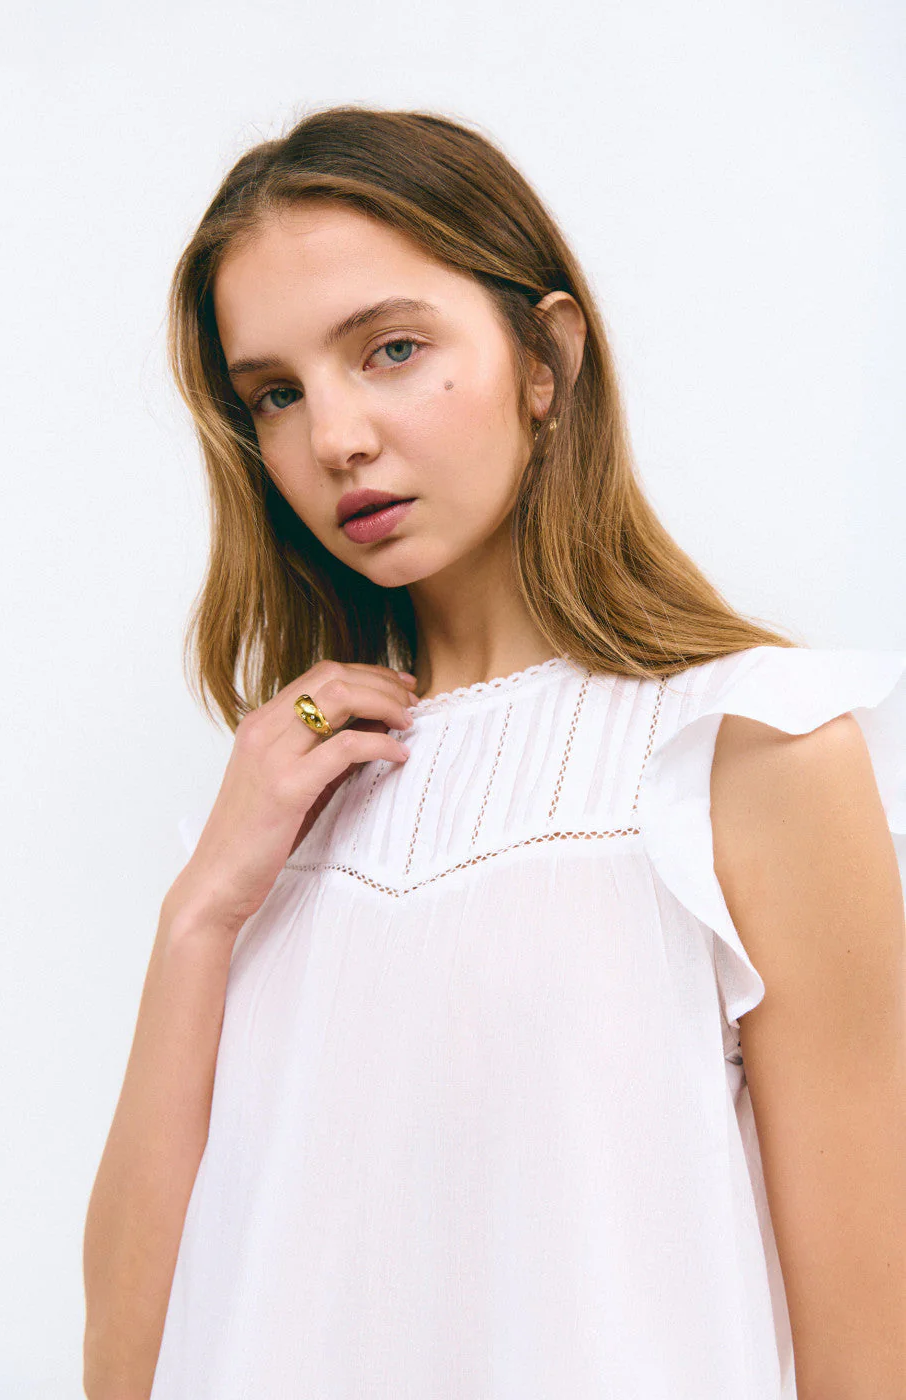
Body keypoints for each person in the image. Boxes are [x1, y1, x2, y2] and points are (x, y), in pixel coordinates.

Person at [82, 106, 906, 1400]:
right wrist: (200, 913)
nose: (335, 438)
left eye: (392, 350)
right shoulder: (270, 819)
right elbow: (126, 1367)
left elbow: (869, 1354)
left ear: (546, 357)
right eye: (276, 395)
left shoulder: (749, 751)